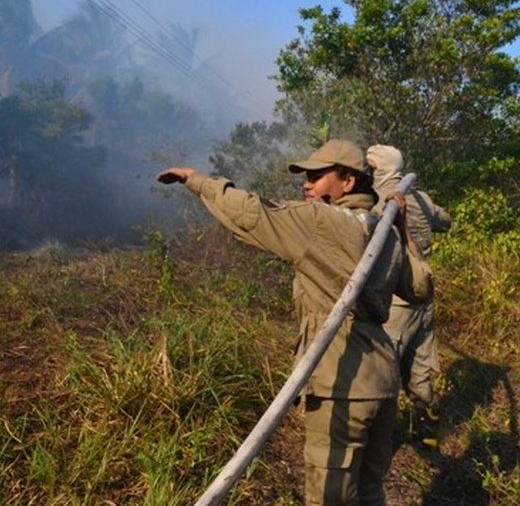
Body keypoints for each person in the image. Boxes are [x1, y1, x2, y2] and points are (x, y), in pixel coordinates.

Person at [158, 139, 418, 505]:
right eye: (306, 177)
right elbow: (419, 288)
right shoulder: (384, 230)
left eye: (317, 176)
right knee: (370, 491)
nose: (306, 184)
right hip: (383, 382)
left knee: (330, 499)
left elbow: (251, 213)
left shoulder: (320, 221)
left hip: (340, 382)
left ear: (348, 181)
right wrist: (403, 228)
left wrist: (195, 179)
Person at [366, 144, 452, 414]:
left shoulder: (376, 202)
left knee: (381, 370)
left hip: (397, 302)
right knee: (419, 373)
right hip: (424, 295)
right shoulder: (421, 198)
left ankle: (380, 429)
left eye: (369, 167)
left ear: (379, 169)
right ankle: (431, 422)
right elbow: (445, 221)